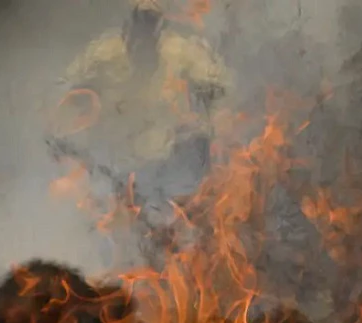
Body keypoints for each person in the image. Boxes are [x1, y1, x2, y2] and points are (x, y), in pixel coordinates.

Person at [54, 0, 232, 257]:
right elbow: (65, 90)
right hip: (120, 164)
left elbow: (220, 90)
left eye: (150, 24)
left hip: (175, 162)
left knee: (180, 235)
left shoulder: (183, 53)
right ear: (127, 27)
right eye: (138, 24)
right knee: (122, 239)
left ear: (160, 28)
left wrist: (213, 126)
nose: (142, 36)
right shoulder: (103, 55)